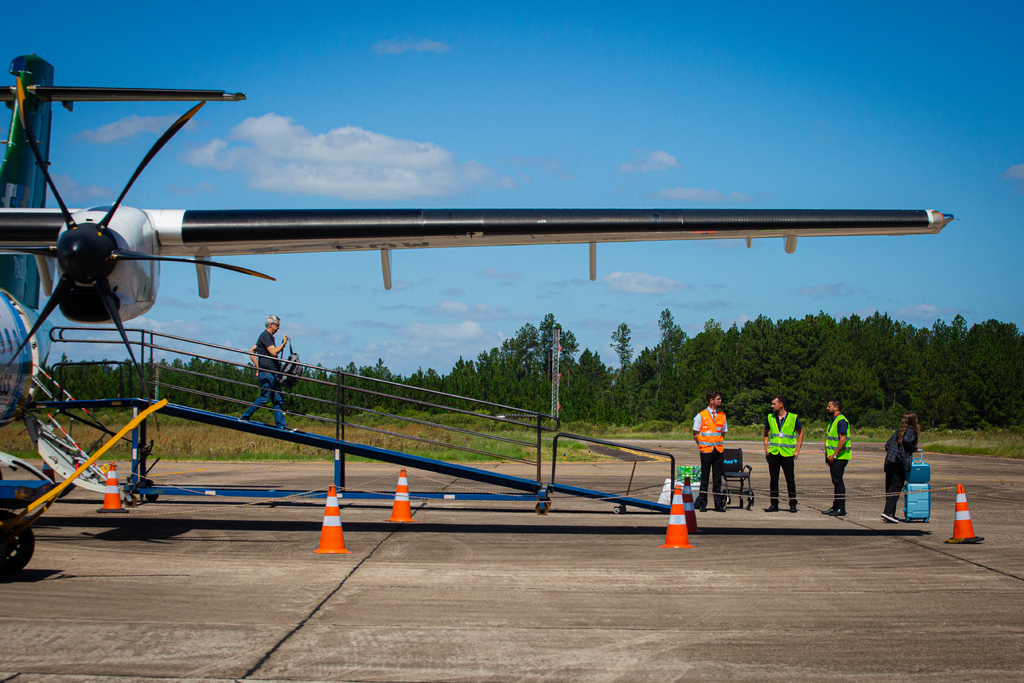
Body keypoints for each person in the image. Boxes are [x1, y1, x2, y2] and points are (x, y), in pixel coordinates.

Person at [239, 314, 293, 430]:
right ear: (270, 325)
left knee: (278, 399)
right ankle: (245, 417)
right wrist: (283, 344)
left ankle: (281, 426)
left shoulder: (267, 338)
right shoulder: (265, 336)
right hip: (268, 373)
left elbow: (252, 350)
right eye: (277, 325)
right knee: (264, 397)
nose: (278, 328)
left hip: (272, 373)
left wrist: (258, 367)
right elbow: (273, 352)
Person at [763, 395, 804, 513]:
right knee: (773, 480)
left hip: (787, 454)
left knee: (790, 480)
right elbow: (765, 433)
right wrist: (766, 447)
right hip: (774, 453)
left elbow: (800, 433)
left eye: (774, 404)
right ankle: (774, 504)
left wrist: (797, 450)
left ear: (781, 404)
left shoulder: (793, 417)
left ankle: (792, 503)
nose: (772, 406)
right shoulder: (770, 417)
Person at [881, 413, 921, 523]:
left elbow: (887, 445)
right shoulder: (911, 432)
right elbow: (907, 442)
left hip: (890, 461)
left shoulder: (899, 432)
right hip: (899, 462)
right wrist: (914, 448)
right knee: (896, 486)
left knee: (889, 487)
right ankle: (888, 511)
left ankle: (890, 513)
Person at [692, 391, 728, 512]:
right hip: (706, 450)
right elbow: (695, 434)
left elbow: (722, 432)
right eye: (718, 399)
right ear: (711, 401)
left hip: (718, 450)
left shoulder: (722, 415)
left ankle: (718, 504)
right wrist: (702, 444)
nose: (720, 401)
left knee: (717, 478)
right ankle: (703, 503)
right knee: (705, 478)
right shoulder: (701, 415)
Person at [822, 398, 852, 516]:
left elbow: (843, 439)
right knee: (835, 482)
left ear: (836, 408)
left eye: (829, 406)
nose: (827, 408)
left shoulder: (841, 421)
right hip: (833, 458)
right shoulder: (833, 421)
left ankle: (841, 508)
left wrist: (834, 455)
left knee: (838, 482)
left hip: (840, 457)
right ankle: (835, 506)